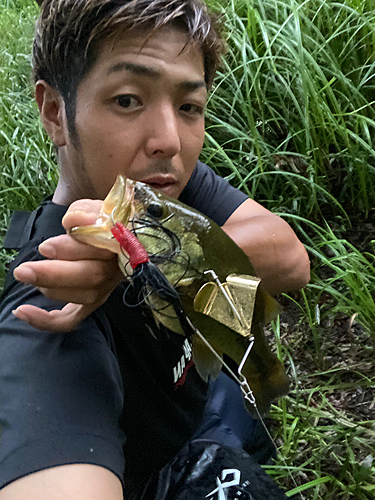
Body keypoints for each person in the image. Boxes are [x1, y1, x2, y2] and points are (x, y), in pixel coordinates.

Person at [0, 0, 310, 498]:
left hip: (205, 401)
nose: (169, 140)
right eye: (127, 100)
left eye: (189, 106)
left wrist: (135, 257)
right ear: (56, 113)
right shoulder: (46, 310)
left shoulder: (156, 191)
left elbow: (292, 260)